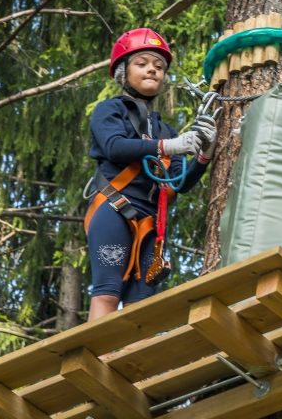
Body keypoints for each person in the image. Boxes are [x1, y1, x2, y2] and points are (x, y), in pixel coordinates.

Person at [84, 27, 218, 321]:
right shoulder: (109, 111)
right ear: (123, 71)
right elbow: (114, 146)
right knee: (108, 291)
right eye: (142, 63)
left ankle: (132, 363)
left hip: (153, 224)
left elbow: (179, 184)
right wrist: (168, 146)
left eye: (159, 66)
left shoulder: (166, 130)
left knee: (141, 304)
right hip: (114, 208)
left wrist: (204, 154)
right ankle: (94, 360)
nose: (152, 70)